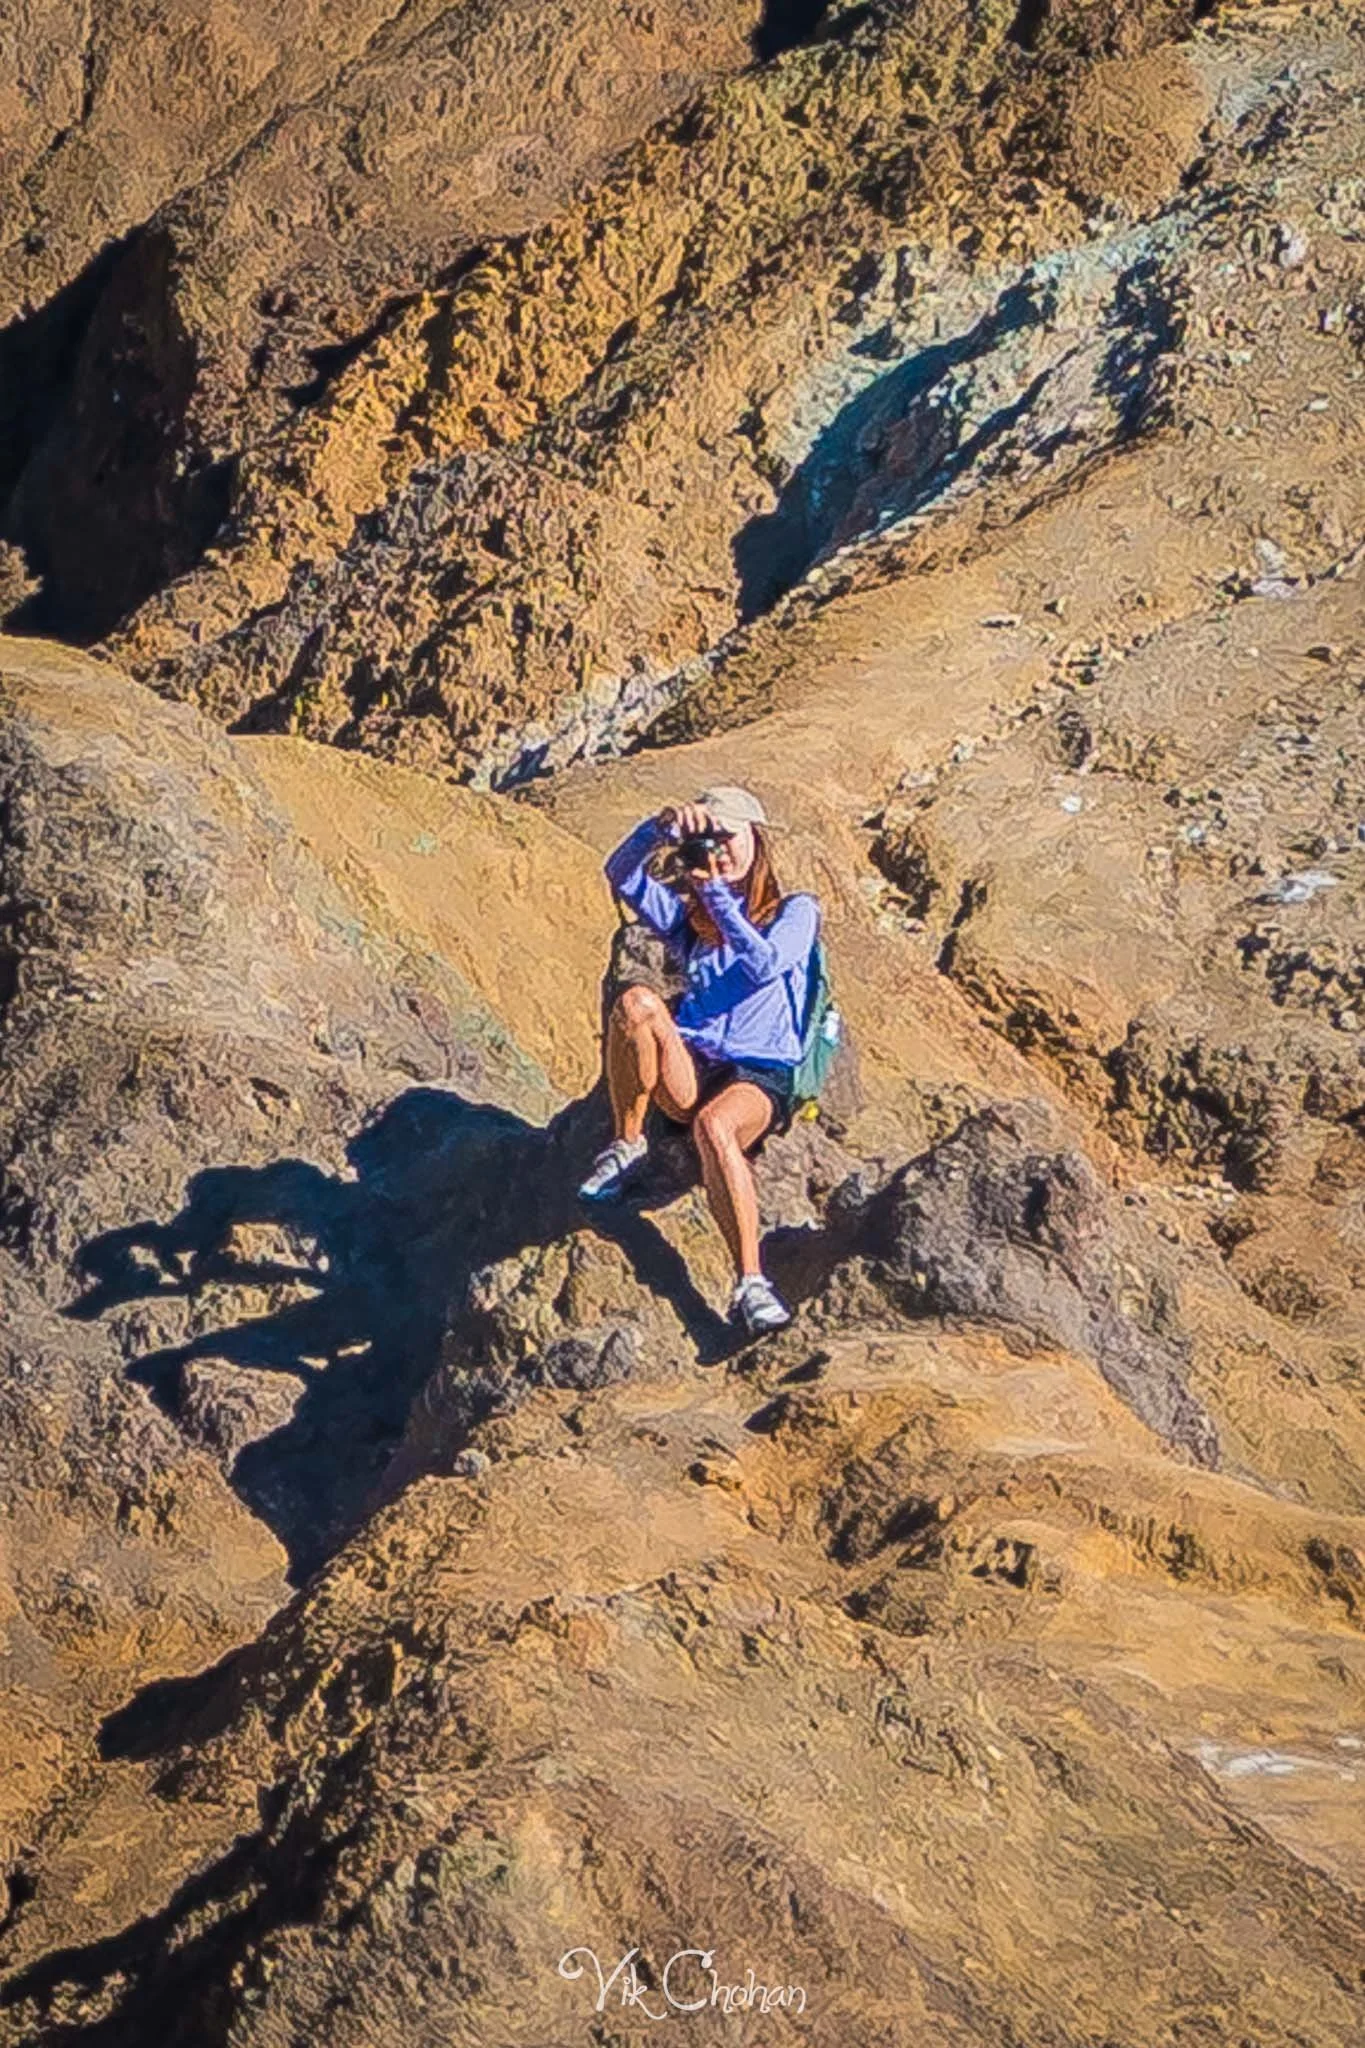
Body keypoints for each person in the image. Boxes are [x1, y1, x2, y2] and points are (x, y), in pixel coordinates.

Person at [578, 785, 821, 1337]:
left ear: (755, 839)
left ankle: (751, 1283)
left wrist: (715, 897)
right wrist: (659, 829)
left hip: (759, 1072)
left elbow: (765, 964)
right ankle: (627, 1143)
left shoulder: (795, 912)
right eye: (708, 840)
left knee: (716, 1127)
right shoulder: (693, 923)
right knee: (637, 1004)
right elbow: (620, 873)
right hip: (695, 1061)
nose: (719, 851)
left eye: (728, 837)